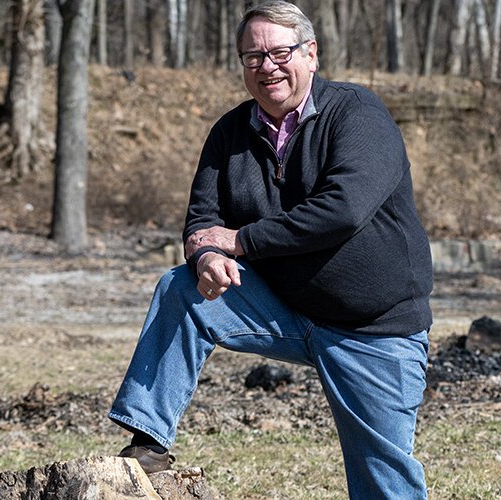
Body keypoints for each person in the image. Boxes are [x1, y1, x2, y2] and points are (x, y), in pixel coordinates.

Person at [106, 1, 433, 498]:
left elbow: (342, 210)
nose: (267, 67)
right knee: (182, 288)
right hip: (283, 309)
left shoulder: (358, 115)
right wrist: (207, 257)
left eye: (280, 52)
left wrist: (239, 241)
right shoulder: (230, 132)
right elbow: (202, 221)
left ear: (312, 54)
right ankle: (149, 439)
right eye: (252, 57)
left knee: (383, 481)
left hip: (373, 330)